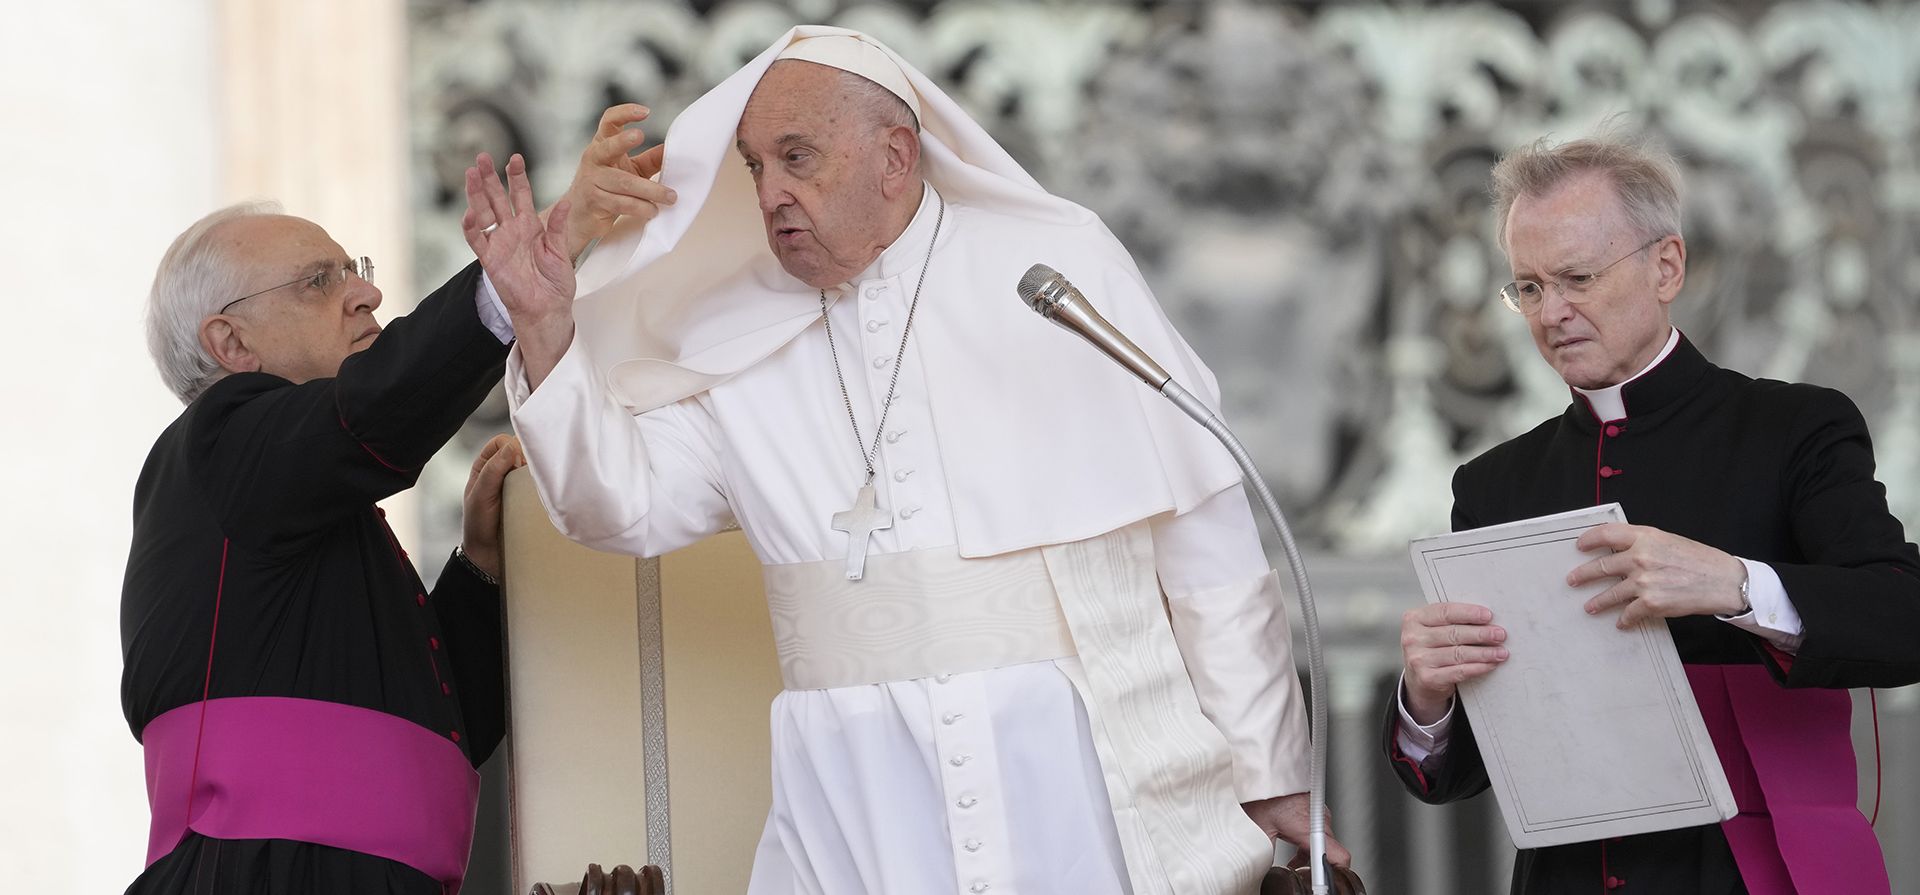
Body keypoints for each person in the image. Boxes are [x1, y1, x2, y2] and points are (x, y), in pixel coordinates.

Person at [499, 25, 1345, 895]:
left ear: (895, 156)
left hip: (1076, 779)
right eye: (756, 167)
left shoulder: (1051, 272)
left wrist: (1268, 766)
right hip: (855, 798)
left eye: (799, 157)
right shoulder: (731, 331)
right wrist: (546, 329)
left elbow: (1203, 533)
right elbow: (618, 505)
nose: (772, 193)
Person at [1382, 132, 1920, 894]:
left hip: (1749, 871)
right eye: (1528, 287)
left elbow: (1904, 614)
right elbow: (1465, 768)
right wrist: (1427, 696)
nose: (1552, 312)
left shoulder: (1794, 427)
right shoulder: (1495, 483)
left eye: (1577, 277)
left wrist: (1737, 584)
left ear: (1665, 266)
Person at [120, 156, 567, 893]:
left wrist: (479, 565)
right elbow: (376, 407)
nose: (367, 293)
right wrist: (502, 290)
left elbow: (446, 727)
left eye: (350, 269)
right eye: (318, 281)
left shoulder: (296, 500)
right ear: (232, 344)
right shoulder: (218, 439)